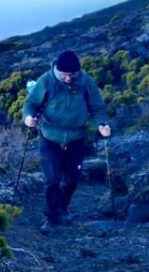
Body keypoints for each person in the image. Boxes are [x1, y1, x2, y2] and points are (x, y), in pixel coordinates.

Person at [22, 50, 111, 234]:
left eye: (72, 74)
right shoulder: (46, 81)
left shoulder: (85, 82)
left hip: (76, 138)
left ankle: (63, 208)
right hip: (50, 137)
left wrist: (102, 124)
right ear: (58, 70)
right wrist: (28, 117)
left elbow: (97, 108)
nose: (68, 78)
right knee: (52, 179)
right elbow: (30, 104)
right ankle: (52, 218)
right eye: (64, 74)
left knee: (72, 179)